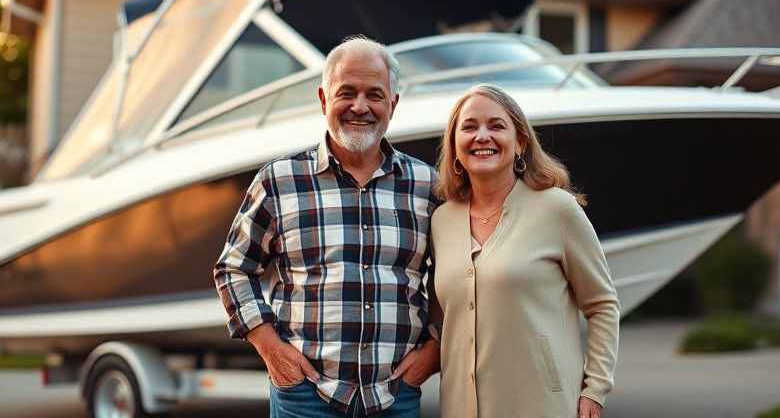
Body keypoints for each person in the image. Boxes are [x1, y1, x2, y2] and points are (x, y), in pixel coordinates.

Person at [213, 36, 440, 417]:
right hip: (305, 396)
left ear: (393, 105)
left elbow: (455, 277)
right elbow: (233, 268)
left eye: (375, 95)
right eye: (346, 92)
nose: (360, 106)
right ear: (323, 100)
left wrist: (434, 351)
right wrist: (270, 348)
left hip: (394, 396)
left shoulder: (427, 185)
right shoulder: (279, 180)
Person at [430, 84, 620, 418]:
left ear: (520, 142)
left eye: (496, 126)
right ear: (454, 146)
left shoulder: (556, 209)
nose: (482, 136)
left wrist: (595, 389)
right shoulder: (441, 220)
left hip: (543, 406)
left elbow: (602, 305)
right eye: (470, 127)